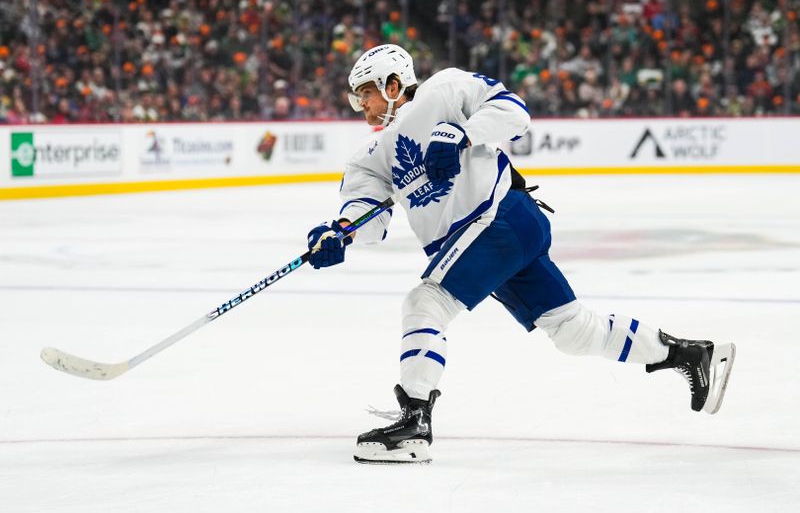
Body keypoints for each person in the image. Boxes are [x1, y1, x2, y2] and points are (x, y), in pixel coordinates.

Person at [305, 44, 736, 464]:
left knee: (426, 302)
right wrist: (339, 233)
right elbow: (369, 219)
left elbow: (515, 112)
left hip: (499, 219)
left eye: (365, 92)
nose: (359, 104)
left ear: (393, 84)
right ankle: (689, 354)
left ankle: (415, 422)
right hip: (492, 239)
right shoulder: (369, 158)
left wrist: (462, 132)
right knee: (572, 329)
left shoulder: (444, 89)